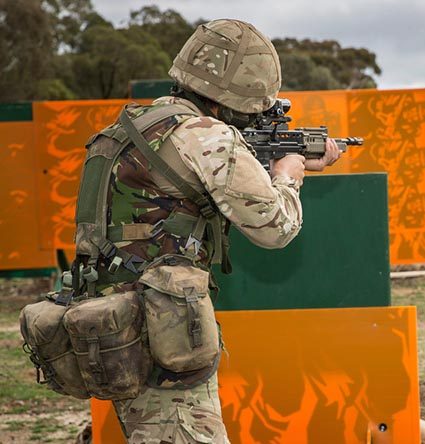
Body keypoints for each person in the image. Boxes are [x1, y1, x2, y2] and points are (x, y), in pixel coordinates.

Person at [72, 19, 339, 443]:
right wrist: (289, 177)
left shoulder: (132, 126)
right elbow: (275, 228)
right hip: (163, 329)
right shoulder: (207, 136)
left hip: (112, 325)